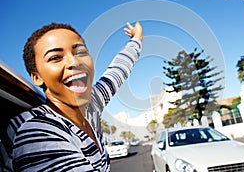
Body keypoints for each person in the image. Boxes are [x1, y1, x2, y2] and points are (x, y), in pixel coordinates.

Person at [6, 21, 143, 171]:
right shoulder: (36, 134)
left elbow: (117, 71)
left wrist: (136, 39)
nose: (75, 61)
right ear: (37, 77)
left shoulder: (91, 106)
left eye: (80, 52)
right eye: (55, 57)